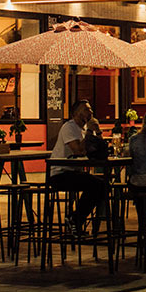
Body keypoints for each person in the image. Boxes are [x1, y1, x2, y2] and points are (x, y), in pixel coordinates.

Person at [49, 99, 107, 233]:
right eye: (86, 109)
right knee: (97, 185)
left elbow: (101, 149)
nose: (90, 112)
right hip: (60, 173)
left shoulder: (86, 129)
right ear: (76, 113)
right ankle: (75, 219)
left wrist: (97, 132)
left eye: (91, 109)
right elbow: (78, 150)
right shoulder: (69, 127)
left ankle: (77, 219)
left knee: (102, 185)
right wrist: (89, 133)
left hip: (75, 172)